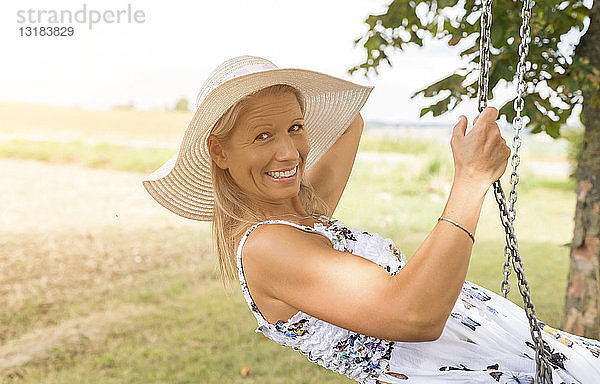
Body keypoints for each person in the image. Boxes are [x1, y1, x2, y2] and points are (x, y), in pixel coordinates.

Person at [142, 55, 600, 383]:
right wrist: (471, 181)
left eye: (296, 128)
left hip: (501, 347)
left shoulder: (303, 212)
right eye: (262, 135)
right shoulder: (266, 247)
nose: (288, 152)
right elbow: (414, 316)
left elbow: (350, 123)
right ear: (218, 151)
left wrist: (284, 98)